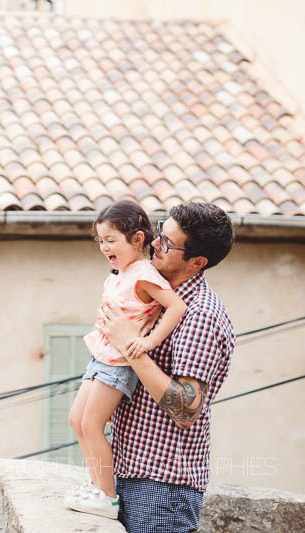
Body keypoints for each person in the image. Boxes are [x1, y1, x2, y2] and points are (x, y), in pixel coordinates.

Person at [97, 202, 236, 533]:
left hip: (162, 489)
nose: (155, 242)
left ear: (197, 262)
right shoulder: (157, 292)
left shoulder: (200, 315)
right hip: (133, 473)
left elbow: (186, 409)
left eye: (168, 243)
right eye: (160, 231)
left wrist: (131, 346)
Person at [65, 200, 188, 520]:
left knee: (91, 424)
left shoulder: (143, 275)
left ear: (137, 239)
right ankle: (97, 485)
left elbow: (176, 306)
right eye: (100, 240)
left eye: (111, 240)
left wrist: (148, 341)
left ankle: (108, 497)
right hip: (101, 355)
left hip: (118, 362)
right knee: (76, 420)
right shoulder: (122, 271)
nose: (104, 247)